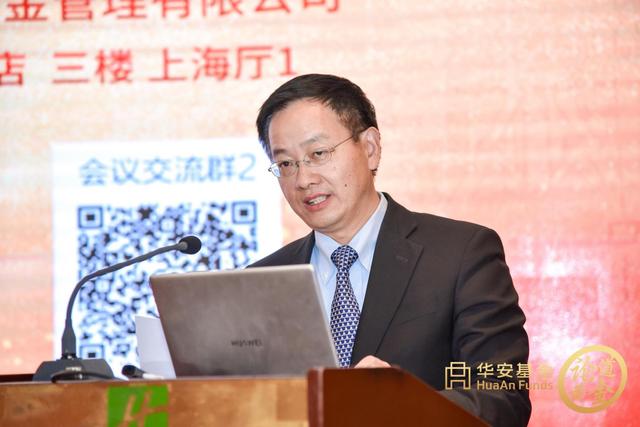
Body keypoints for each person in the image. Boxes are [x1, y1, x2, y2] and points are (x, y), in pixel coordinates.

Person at [250, 74, 531, 426]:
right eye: (286, 164)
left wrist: (402, 404)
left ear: (370, 148)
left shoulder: (460, 255)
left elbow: (503, 395)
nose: (303, 179)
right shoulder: (260, 281)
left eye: (318, 154)